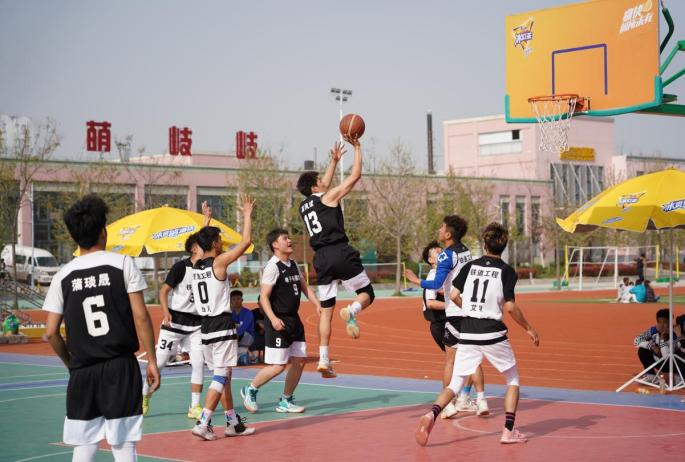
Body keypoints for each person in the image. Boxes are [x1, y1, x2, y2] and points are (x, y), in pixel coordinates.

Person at [43, 194, 160, 462]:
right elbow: (141, 317)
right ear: (103, 231)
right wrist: (152, 361)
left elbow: (50, 332)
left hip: (82, 372)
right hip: (120, 368)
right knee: (123, 445)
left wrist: (71, 364)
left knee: (84, 446)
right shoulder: (122, 264)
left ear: (74, 236)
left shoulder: (62, 276)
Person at [415, 222, 540, 447]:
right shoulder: (506, 271)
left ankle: (432, 414)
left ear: (484, 244)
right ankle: (508, 431)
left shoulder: (470, 266)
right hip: (492, 332)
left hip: (468, 331)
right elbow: (510, 307)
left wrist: (471, 310)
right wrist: (529, 328)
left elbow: (453, 295)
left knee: (455, 382)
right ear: (504, 245)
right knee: (512, 379)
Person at [297, 137, 375, 379]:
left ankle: (323, 359)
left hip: (320, 259)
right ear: (315, 187)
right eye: (320, 180)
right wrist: (358, 148)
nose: (324, 180)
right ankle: (352, 310)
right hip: (339, 251)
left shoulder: (305, 206)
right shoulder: (327, 198)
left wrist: (333, 161)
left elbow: (323, 188)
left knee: (326, 312)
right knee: (367, 293)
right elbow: (355, 176)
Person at [404, 215, 487, 418]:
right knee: (473, 359)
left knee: (451, 361)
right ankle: (479, 400)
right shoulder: (466, 251)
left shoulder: (446, 256)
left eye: (442, 228)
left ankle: (448, 404)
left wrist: (415, 281)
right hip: (470, 310)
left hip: (455, 313)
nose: (439, 231)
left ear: (448, 234)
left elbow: (436, 284)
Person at [190, 195, 256, 441]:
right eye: (218, 239)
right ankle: (203, 422)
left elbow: (200, 245)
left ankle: (232, 423)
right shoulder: (219, 263)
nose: (221, 242)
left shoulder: (196, 264)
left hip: (206, 327)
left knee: (224, 376)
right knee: (221, 376)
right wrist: (247, 214)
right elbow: (246, 242)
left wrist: (206, 221)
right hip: (222, 324)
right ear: (215, 243)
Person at [241, 228, 321, 414]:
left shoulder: (292, 263)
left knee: (299, 361)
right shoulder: (273, 266)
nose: (290, 241)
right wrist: (273, 319)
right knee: (278, 366)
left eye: (289, 238)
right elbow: (264, 297)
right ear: (275, 244)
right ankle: (250, 389)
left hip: (294, 320)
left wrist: (317, 305)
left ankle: (286, 400)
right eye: (285, 238)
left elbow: (304, 287)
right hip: (278, 320)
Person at [142, 232, 207, 419]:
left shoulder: (206, 267)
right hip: (174, 323)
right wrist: (165, 312)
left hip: (196, 325)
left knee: (198, 363)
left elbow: (204, 239)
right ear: (194, 248)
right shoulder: (180, 267)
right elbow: (163, 292)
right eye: (201, 244)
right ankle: (144, 396)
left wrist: (206, 223)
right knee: (159, 364)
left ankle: (194, 406)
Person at [634, 308, 684, 384]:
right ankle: (651, 375)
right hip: (658, 362)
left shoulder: (675, 334)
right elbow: (636, 340)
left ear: (671, 323)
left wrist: (662, 339)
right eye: (659, 322)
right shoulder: (653, 330)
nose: (662, 325)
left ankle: (678, 377)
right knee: (642, 350)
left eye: (665, 322)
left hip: (671, 364)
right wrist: (652, 346)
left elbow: (666, 356)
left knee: (679, 353)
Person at [420, 241, 446, 351]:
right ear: (431, 260)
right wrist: (453, 306)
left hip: (450, 322)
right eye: (439, 253)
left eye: (443, 252)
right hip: (441, 325)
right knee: (457, 357)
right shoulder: (433, 276)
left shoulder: (444, 274)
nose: (443, 255)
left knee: (461, 358)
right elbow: (430, 303)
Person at [230, 290, 255, 365]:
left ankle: (244, 354)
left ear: (242, 300)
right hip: (235, 339)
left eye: (238, 299)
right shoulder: (229, 313)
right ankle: (246, 355)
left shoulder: (248, 313)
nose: (236, 301)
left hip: (247, 337)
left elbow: (242, 329)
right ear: (230, 301)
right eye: (233, 299)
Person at [249, 299, 266, 364]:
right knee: (252, 335)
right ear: (258, 303)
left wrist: (263, 329)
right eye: (261, 303)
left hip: (266, 334)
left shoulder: (270, 313)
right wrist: (259, 326)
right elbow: (250, 326)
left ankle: (267, 357)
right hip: (255, 334)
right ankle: (255, 356)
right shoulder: (253, 313)